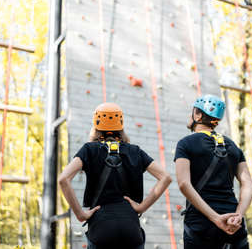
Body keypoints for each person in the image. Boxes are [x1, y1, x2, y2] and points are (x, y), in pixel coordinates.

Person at [58, 102, 172, 249]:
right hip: (131, 228)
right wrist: (141, 207)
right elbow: (166, 177)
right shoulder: (135, 151)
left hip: (101, 228)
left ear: (96, 125)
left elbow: (63, 179)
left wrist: (80, 214)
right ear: (121, 125)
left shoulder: (89, 150)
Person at [175, 94, 252, 249]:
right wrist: (239, 214)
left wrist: (216, 218)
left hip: (201, 223)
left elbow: (184, 183)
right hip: (233, 222)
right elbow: (249, 185)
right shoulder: (232, 146)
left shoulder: (185, 144)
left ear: (197, 115)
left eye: (192, 111)